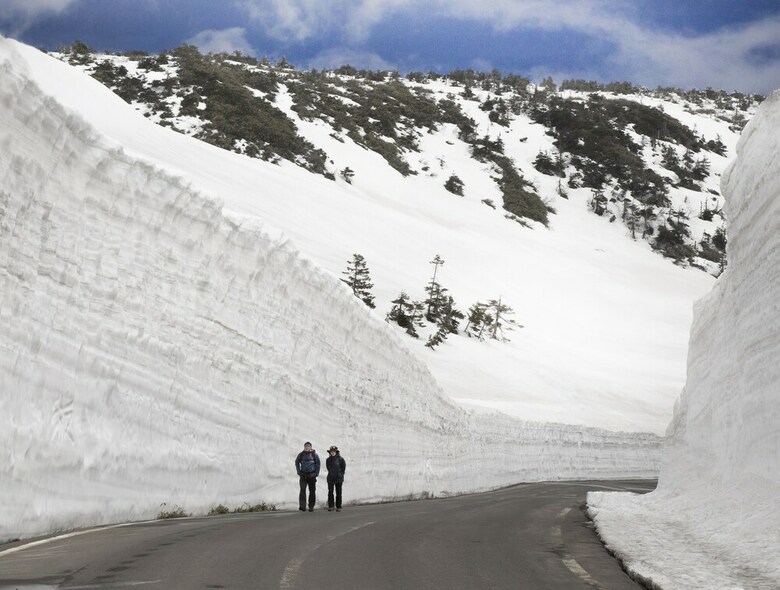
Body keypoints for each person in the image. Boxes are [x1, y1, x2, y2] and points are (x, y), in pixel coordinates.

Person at [295, 441, 320, 512]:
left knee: (312, 491)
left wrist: (316, 474)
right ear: (304, 447)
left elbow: (318, 464)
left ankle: (311, 506)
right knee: (302, 490)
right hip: (303, 475)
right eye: (305, 446)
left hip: (312, 475)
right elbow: (296, 462)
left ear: (310, 447)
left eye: (308, 446)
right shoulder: (301, 454)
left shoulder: (314, 455)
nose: (307, 447)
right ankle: (302, 506)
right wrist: (298, 471)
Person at [326, 445, 347, 512]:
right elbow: (328, 468)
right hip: (330, 478)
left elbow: (343, 468)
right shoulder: (328, 460)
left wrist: (340, 474)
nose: (332, 453)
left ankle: (338, 506)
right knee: (330, 492)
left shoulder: (341, 459)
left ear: (336, 452)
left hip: (338, 478)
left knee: (338, 492)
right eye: (331, 452)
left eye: (334, 451)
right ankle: (331, 506)